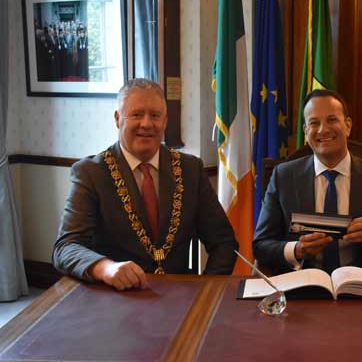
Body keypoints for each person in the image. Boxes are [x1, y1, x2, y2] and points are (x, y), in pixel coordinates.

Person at [53, 78, 237, 290]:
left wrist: (206, 290)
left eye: (155, 116)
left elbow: (224, 242)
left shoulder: (190, 169)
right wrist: (106, 268)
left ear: (165, 121)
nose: (147, 124)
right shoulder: (91, 172)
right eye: (137, 114)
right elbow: (65, 247)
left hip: (179, 297)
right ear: (117, 118)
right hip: (115, 297)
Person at [253, 89, 362, 275]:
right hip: (302, 291)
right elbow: (261, 246)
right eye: (314, 123)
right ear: (306, 132)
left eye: (332, 120)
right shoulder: (283, 177)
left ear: (348, 126)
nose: (323, 130)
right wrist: (296, 250)